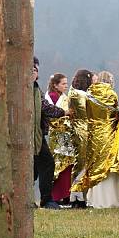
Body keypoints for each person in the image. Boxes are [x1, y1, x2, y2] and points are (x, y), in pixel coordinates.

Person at [78, 71, 119, 209]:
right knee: (109, 167)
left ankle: (95, 199)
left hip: (94, 134)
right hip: (109, 134)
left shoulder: (89, 94)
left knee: (96, 166)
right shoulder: (111, 94)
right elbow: (116, 113)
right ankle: (111, 200)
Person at [33, 57, 68, 209]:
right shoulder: (28, 88)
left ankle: (43, 199)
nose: (34, 73)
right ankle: (45, 200)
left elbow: (44, 106)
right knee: (45, 164)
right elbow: (45, 107)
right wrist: (64, 112)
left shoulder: (35, 88)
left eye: (35, 70)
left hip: (37, 133)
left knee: (38, 166)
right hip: (31, 134)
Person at [46, 73, 74, 206]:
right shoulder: (51, 97)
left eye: (66, 83)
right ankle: (56, 195)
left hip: (66, 137)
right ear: (55, 85)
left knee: (68, 165)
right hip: (57, 137)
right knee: (58, 166)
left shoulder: (64, 97)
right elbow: (53, 117)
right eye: (63, 83)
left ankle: (65, 194)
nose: (66, 86)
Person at [68, 68, 93, 208]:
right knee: (81, 162)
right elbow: (89, 110)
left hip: (79, 130)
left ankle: (78, 195)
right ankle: (77, 195)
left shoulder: (74, 92)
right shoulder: (80, 95)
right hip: (82, 131)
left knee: (81, 162)